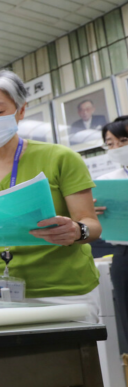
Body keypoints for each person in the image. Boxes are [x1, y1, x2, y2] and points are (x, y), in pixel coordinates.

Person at [0, 70, 101, 322]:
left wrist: (77, 230)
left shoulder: (60, 158)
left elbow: (92, 226)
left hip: (64, 290)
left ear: (20, 111)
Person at [95, 116, 128, 354]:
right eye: (110, 143)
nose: (117, 149)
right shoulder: (107, 181)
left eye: (123, 141)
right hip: (124, 254)